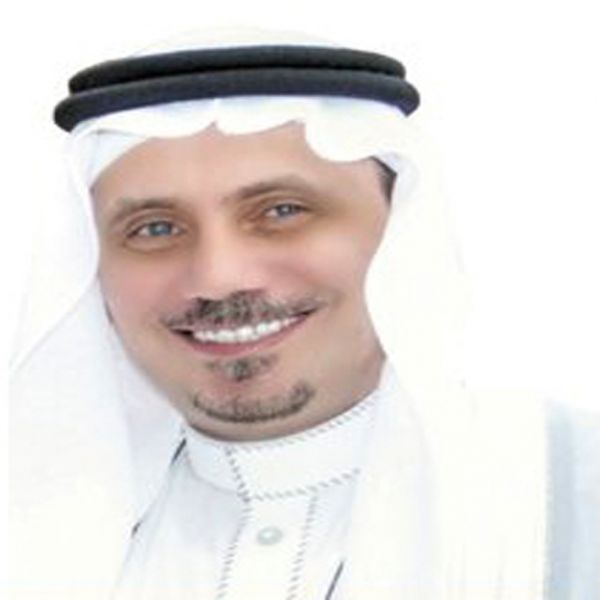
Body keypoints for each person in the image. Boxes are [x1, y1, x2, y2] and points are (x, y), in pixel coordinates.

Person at [9, 28, 599, 600]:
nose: (219, 277)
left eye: (283, 211)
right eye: (155, 229)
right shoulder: (34, 540)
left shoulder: (564, 492)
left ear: (402, 235)